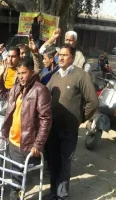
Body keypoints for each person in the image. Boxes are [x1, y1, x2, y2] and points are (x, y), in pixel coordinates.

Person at [45, 44, 98, 200]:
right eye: (59, 55)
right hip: (52, 128)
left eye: (65, 55)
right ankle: (53, 192)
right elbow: (46, 94)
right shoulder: (55, 75)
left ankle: (62, 196)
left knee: (63, 164)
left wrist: (79, 119)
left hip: (68, 130)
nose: (60, 57)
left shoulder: (81, 76)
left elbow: (93, 102)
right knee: (53, 162)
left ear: (73, 58)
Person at [0, 57, 52, 200]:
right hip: (12, 140)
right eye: (19, 73)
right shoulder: (16, 88)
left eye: (24, 73)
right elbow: (4, 96)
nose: (21, 76)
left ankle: (14, 196)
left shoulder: (40, 90)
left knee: (17, 178)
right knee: (12, 173)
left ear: (32, 72)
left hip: (26, 143)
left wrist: (38, 144)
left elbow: (46, 119)